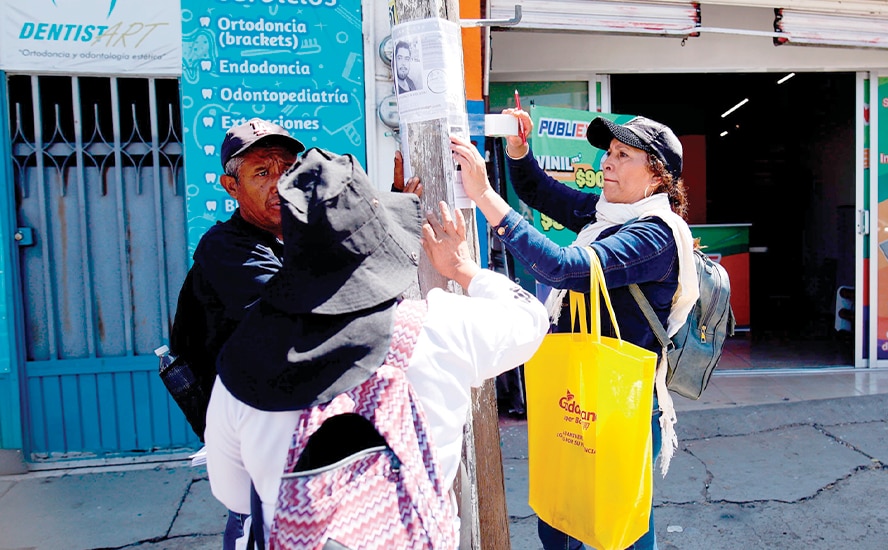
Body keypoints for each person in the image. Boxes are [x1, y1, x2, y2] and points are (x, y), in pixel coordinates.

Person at [203, 148, 549, 544]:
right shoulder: (440, 326)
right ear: (383, 246)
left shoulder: (244, 366)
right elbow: (530, 318)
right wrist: (462, 269)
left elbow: (233, 493)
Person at [449, 111, 699, 550]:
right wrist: (519, 150)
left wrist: (485, 196)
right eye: (608, 152)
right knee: (560, 516)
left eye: (623, 155)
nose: (607, 162)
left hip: (622, 407)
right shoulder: (605, 213)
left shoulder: (656, 237)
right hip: (580, 394)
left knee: (614, 532)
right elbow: (536, 191)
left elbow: (565, 269)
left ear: (657, 175)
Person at [169, 118, 304, 550]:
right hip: (255, 445)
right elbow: (301, 318)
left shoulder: (297, 239)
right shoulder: (229, 248)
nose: (279, 183)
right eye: (262, 173)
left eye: (287, 169)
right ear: (232, 187)